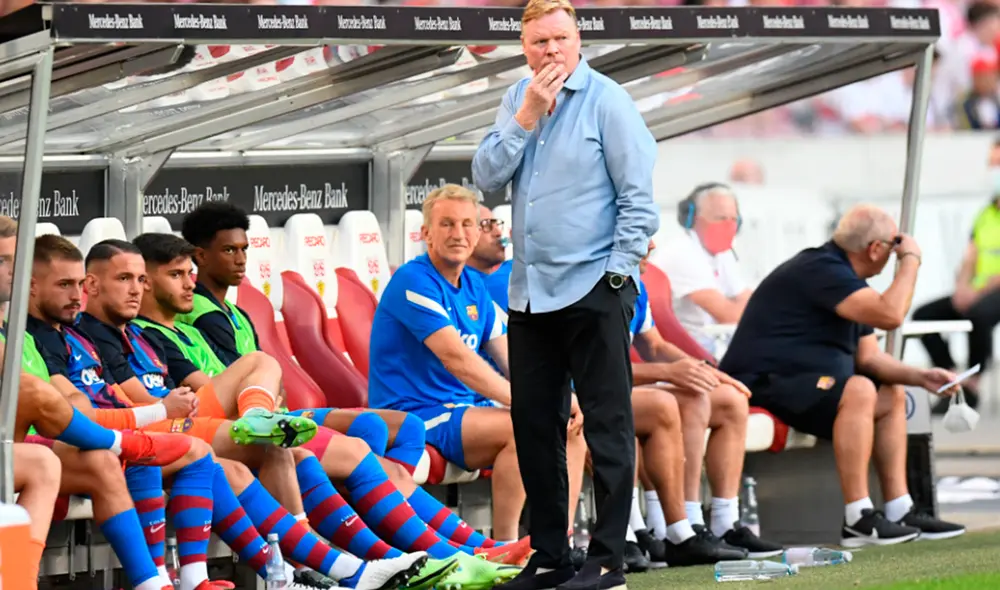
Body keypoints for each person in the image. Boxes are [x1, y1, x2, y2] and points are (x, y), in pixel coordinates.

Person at [128, 232, 519, 588]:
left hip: (259, 413)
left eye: (245, 249)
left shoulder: (200, 325)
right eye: (176, 275)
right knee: (322, 451)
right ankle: (428, 556)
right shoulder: (156, 331)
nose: (190, 282)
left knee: (382, 432)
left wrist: (263, 398)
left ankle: (445, 549)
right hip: (224, 425)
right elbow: (191, 397)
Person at [473, 0, 660, 586]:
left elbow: (639, 200)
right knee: (534, 425)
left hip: (595, 287)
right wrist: (526, 114)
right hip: (529, 293)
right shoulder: (516, 99)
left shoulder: (608, 100)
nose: (549, 51)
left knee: (607, 424)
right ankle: (552, 555)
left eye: (559, 39)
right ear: (523, 47)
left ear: (578, 40)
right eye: (538, 42)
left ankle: (609, 557)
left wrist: (617, 274)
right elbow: (485, 178)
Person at [718, 204, 966, 546]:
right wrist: (911, 260)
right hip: (765, 382)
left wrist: (921, 376)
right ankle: (858, 517)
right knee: (861, 389)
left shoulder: (846, 279)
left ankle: (899, 508)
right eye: (893, 245)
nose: (896, 252)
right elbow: (891, 314)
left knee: (889, 392)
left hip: (802, 384)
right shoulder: (821, 269)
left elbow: (870, 357)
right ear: (876, 249)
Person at [368, 185, 588, 552]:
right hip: (414, 414)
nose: (459, 234)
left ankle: (558, 545)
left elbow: (512, 357)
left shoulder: (472, 283)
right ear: (426, 234)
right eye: (447, 224)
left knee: (572, 426)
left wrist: (559, 396)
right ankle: (507, 551)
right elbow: (460, 361)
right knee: (523, 425)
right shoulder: (413, 280)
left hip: (463, 413)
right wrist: (527, 403)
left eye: (468, 224)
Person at [177, 201, 433, 477]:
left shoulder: (238, 313)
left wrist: (275, 395)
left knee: (409, 427)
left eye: (244, 250)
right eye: (229, 250)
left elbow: (273, 380)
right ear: (200, 256)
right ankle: (373, 503)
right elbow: (240, 382)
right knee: (368, 430)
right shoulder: (200, 314)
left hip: (278, 413)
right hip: (246, 425)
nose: (241, 260)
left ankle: (376, 499)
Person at [911, 138, 1000, 413]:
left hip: (990, 292)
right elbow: (970, 258)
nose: (993, 171)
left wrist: (978, 292)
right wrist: (962, 286)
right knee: (922, 317)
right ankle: (952, 381)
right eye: (991, 164)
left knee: (978, 315)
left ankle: (972, 385)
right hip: (977, 291)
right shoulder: (986, 213)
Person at [655, 183, 751, 357]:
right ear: (692, 218)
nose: (728, 225)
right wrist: (743, 307)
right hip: (685, 358)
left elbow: (750, 300)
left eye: (733, 219)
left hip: (712, 352)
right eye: (720, 218)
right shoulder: (682, 253)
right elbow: (729, 315)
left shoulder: (722, 253)